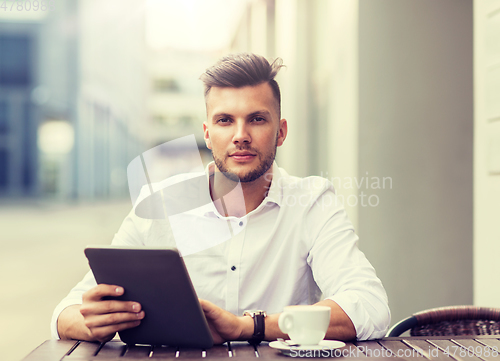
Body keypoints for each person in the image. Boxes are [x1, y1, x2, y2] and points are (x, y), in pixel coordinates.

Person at [52, 53, 390, 344]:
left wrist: (251, 327)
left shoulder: (313, 202)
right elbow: (65, 313)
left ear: (281, 132)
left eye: (257, 119)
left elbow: (369, 306)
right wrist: (91, 323)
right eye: (225, 120)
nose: (241, 136)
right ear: (208, 134)